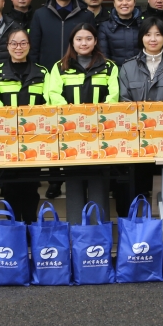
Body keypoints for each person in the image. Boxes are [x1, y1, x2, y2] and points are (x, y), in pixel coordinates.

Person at [44, 23, 120, 224]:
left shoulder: (109, 67)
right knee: (74, 185)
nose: (83, 43)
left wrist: (95, 119)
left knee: (99, 185)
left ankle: (98, 234)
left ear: (95, 41)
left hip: (100, 136)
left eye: (88, 38)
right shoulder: (60, 67)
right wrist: (74, 119)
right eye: (79, 39)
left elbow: (113, 97)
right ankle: (76, 234)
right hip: (71, 136)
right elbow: (54, 96)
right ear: (72, 42)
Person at [117, 18, 163, 216]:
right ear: (141, 38)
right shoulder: (128, 67)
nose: (153, 39)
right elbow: (124, 101)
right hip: (136, 139)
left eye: (158, 34)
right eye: (148, 34)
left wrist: (160, 125)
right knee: (136, 188)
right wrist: (141, 126)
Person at [0, 27, 50, 222]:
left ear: (29, 46)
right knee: (10, 190)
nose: (18, 47)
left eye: (23, 43)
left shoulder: (42, 73)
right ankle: (14, 232)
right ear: (7, 46)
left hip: (33, 142)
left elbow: (48, 106)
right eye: (14, 43)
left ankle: (31, 229)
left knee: (31, 189)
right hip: (6, 142)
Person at [29, 0, 95, 68]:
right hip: (47, 71)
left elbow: (93, 47)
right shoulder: (40, 14)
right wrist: (36, 71)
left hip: (78, 71)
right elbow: (34, 48)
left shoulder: (86, 15)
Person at [97, 0, 142, 64]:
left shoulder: (143, 25)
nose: (124, 3)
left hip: (141, 71)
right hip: (115, 71)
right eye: (120, 0)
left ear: (134, 2)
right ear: (114, 3)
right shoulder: (105, 27)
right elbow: (104, 57)